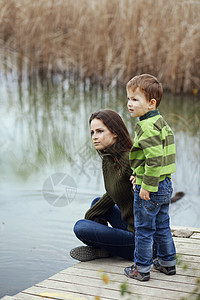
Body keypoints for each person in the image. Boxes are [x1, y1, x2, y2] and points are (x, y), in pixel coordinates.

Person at [124, 74, 176, 282]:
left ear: (151, 103)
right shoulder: (160, 122)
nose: (129, 103)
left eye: (135, 99)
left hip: (152, 186)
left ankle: (141, 269)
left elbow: (154, 159)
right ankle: (167, 262)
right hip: (165, 184)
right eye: (128, 98)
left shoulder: (146, 127)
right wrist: (139, 174)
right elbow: (160, 158)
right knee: (162, 224)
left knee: (144, 229)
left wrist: (146, 185)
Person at [70, 109, 136, 261]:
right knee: (97, 204)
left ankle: (108, 248)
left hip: (142, 241)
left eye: (100, 131)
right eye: (92, 132)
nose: (94, 137)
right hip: (130, 226)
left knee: (80, 227)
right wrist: (91, 216)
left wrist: (89, 225)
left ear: (115, 133)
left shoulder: (129, 159)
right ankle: (106, 248)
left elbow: (147, 200)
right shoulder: (109, 159)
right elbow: (113, 192)